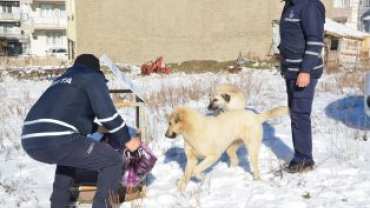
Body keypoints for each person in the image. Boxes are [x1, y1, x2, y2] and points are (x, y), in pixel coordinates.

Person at [21, 54, 141, 208]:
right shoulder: (91, 77)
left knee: (68, 159)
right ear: (96, 70)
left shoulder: (60, 81)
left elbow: (69, 115)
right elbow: (108, 114)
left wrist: (98, 129)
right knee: (112, 161)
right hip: (58, 139)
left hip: (30, 140)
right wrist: (128, 140)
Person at [277, 0, 325, 173]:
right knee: (296, 114)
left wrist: (305, 71)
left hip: (303, 72)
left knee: (300, 115)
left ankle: (304, 160)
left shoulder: (310, 5)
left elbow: (315, 41)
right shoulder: (290, 5)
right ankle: (302, 156)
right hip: (291, 70)